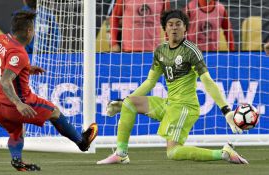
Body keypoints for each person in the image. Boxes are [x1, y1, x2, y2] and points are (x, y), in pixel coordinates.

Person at [97, 9, 248, 164]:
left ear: (185, 28)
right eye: (170, 24)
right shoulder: (160, 51)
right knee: (130, 103)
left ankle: (223, 153)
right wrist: (123, 101)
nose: (174, 27)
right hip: (169, 104)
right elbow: (150, 81)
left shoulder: (191, 51)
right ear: (165, 28)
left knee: (173, 152)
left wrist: (226, 110)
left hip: (184, 107)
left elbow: (208, 81)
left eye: (178, 24)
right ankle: (121, 154)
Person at [0, 11, 98, 171]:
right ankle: (82, 142)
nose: (33, 33)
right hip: (17, 104)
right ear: (28, 31)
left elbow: (5, 64)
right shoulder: (20, 54)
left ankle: (17, 161)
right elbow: (5, 81)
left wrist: (26, 69)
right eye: (33, 30)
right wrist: (19, 104)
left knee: (16, 131)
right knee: (54, 112)